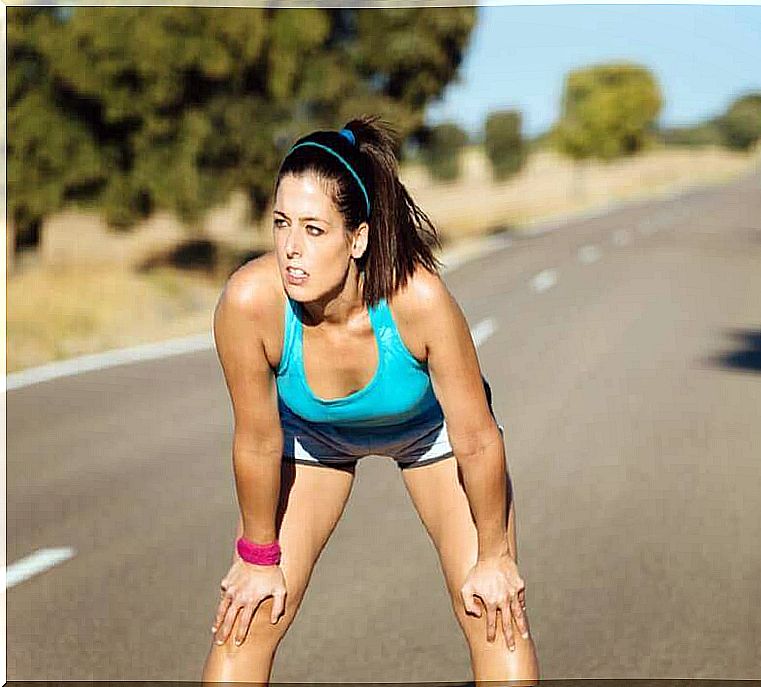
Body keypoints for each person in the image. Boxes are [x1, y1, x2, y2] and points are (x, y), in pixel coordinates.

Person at [201, 115, 539, 683]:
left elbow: (478, 440)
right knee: (251, 613)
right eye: (281, 223)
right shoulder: (250, 303)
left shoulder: (418, 298)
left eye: (314, 229)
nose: (290, 248)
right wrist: (259, 559)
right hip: (313, 440)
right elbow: (259, 440)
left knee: (492, 611)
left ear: (357, 238)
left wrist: (495, 557)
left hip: (432, 436)